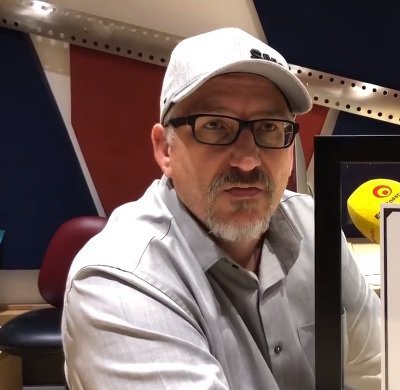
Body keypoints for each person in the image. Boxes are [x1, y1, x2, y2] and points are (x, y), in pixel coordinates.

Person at [61, 27, 382, 390]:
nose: (247, 160)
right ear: (165, 150)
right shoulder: (118, 285)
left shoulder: (314, 228)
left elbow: (376, 370)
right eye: (214, 126)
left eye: (269, 127)